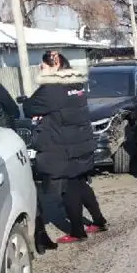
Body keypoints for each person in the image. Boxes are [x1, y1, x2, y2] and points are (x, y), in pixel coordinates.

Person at [24, 51, 108, 244]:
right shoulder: (75, 84)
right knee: (79, 181)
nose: (40, 69)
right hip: (81, 142)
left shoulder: (50, 89)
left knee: (68, 187)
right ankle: (99, 220)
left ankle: (78, 231)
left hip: (63, 147)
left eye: (43, 66)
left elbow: (30, 108)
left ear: (54, 66)